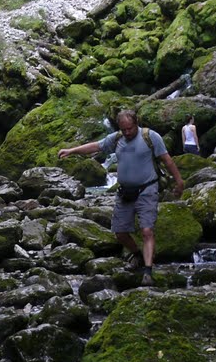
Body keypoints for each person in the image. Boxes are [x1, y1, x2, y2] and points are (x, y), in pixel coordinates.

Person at [58, 109, 184, 286]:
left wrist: (179, 181)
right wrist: (71, 151)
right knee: (120, 232)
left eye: (130, 129)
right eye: (123, 129)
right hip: (125, 192)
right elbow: (95, 146)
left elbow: (167, 160)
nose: (127, 133)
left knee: (147, 230)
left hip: (147, 189)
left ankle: (148, 271)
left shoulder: (151, 137)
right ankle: (137, 254)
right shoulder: (117, 139)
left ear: (136, 123)